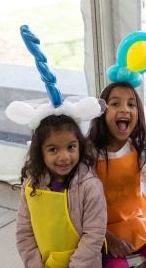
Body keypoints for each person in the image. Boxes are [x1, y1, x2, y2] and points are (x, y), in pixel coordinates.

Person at [88, 82, 146, 268]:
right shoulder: (89, 153)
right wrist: (109, 238)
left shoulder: (136, 148)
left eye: (131, 104)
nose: (125, 109)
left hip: (138, 222)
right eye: (115, 103)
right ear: (101, 112)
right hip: (102, 230)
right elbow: (81, 210)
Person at [14, 113, 107, 267]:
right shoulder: (30, 186)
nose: (64, 157)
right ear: (40, 152)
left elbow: (94, 235)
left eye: (71, 147)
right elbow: (24, 233)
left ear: (80, 146)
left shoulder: (90, 187)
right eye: (53, 150)